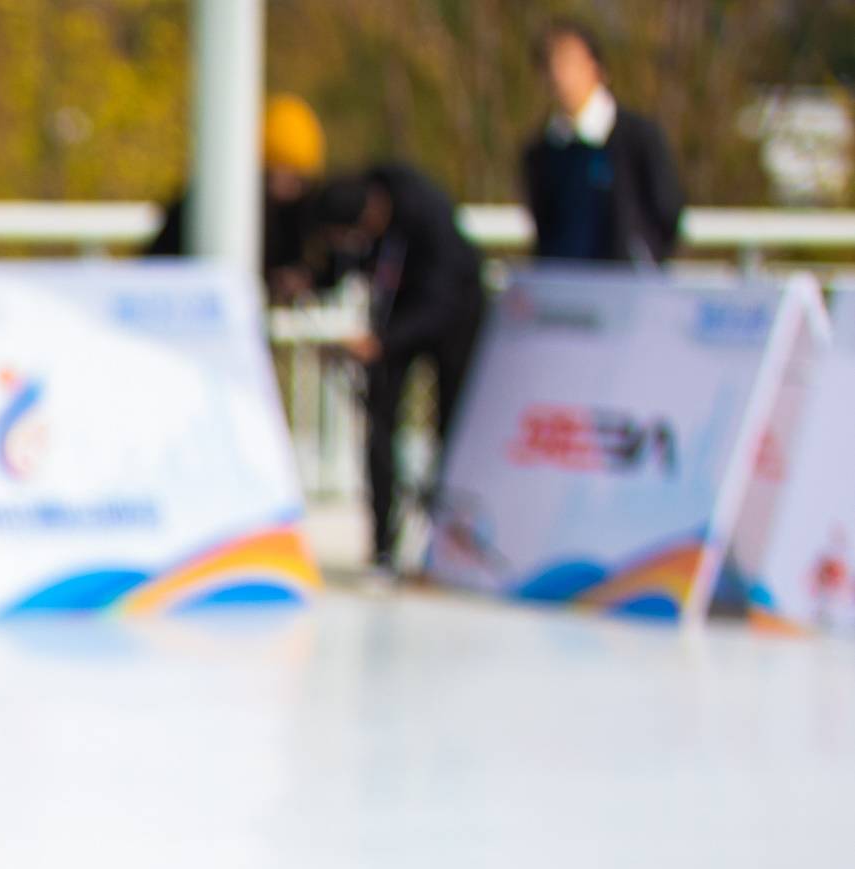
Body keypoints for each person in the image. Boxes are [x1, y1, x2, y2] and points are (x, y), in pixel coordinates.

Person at [317, 164, 491, 576]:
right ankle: (382, 544)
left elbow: (444, 299)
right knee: (379, 423)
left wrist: (384, 341)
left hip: (453, 320)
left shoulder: (426, 212)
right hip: (396, 321)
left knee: (452, 427)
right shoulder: (363, 214)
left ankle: (449, 544)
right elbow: (345, 269)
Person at [523, 20, 683, 267]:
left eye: (569, 62)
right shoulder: (540, 152)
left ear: (596, 67)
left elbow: (667, 210)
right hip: (566, 288)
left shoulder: (638, 137)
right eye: (551, 64)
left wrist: (643, 258)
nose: (559, 74)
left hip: (626, 290)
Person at [146, 92, 333, 290]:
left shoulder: (302, 213)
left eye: (299, 179)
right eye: (284, 173)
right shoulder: (216, 204)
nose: (292, 188)